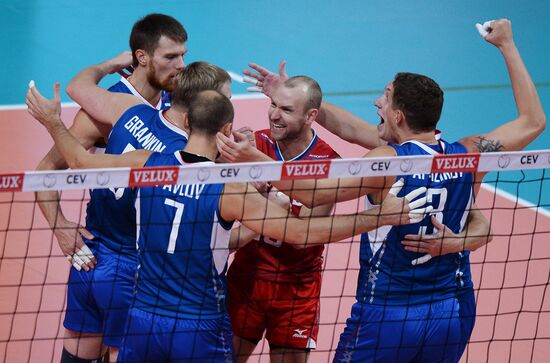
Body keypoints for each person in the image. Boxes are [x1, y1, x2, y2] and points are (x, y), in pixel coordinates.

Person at [27, 85, 432, 362]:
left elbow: (80, 162)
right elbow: (302, 232)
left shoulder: (147, 165)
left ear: (185, 124)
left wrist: (52, 121)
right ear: (225, 130)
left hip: (143, 316)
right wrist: (374, 216)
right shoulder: (230, 190)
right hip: (198, 323)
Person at [221, 19, 545, 361]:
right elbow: (533, 122)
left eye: (386, 99)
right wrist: (507, 44)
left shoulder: (386, 163)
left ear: (400, 116)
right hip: (452, 309)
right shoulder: (469, 154)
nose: (378, 103)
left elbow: (314, 194)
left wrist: (254, 159)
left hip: (388, 314)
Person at [34, 13, 188, 363]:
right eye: (170, 57)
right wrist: (59, 226)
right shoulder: (101, 109)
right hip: (111, 256)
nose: (181, 65)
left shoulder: (178, 106)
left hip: (153, 263)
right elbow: (45, 170)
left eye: (183, 55)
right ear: (142, 57)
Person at [227, 76, 340, 363]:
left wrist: (262, 201)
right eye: (273, 105)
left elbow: (306, 237)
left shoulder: (328, 164)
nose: (275, 115)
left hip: (295, 290)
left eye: (287, 110)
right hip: (246, 280)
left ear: (310, 116)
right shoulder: (252, 146)